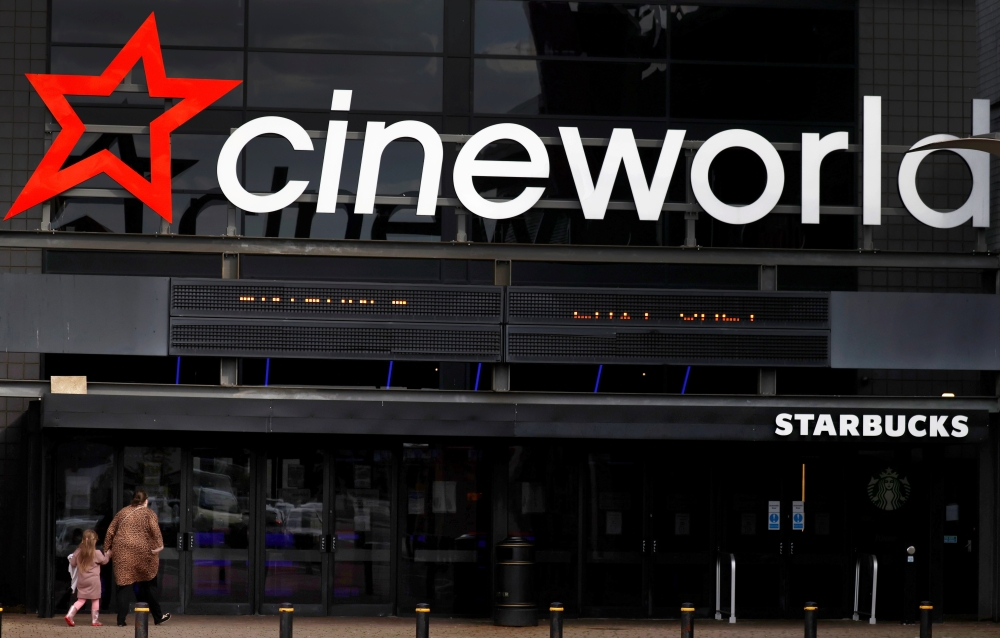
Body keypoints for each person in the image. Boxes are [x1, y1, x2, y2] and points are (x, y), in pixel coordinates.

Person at [105, 489, 170, 627]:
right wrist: (160, 546)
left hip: (122, 551)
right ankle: (158, 617)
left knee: (124, 586)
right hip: (143, 552)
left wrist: (107, 549)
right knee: (149, 584)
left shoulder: (122, 512)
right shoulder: (149, 513)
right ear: (146, 501)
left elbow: (110, 530)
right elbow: (155, 530)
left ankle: (121, 621)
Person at [64, 529, 108, 626]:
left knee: (81, 600)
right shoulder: (96, 553)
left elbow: (73, 563)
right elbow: (104, 561)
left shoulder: (78, 552)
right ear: (94, 541)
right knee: (95, 599)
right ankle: (95, 620)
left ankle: (70, 615)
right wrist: (108, 554)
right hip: (94, 581)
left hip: (82, 580)